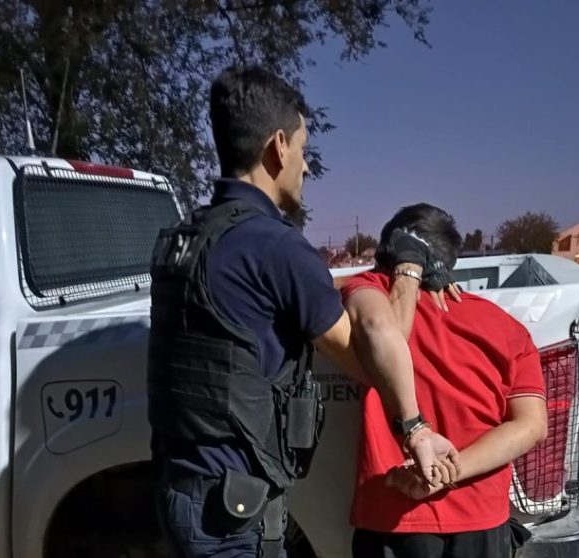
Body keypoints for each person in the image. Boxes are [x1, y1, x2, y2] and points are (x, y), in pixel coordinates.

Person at [146, 66, 458, 558]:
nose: (307, 168)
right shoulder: (275, 248)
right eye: (304, 149)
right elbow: (372, 354)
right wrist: (409, 266)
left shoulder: (185, 237)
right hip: (228, 512)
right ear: (277, 147)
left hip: (181, 487)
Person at [341, 203, 548, 558]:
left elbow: (383, 335)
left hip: (395, 518)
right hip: (482, 522)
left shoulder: (369, 293)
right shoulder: (505, 326)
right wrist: (450, 471)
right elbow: (532, 426)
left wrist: (406, 271)